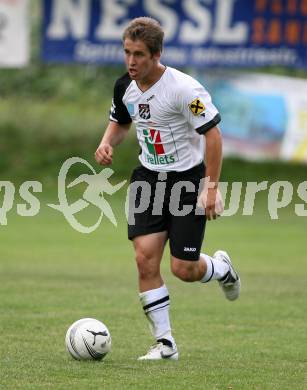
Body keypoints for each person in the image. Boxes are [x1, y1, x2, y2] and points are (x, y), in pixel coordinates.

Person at [95, 17, 241, 361]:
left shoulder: (184, 90)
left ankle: (221, 269)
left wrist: (210, 187)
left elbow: (213, 134)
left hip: (187, 181)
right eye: (127, 53)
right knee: (145, 260)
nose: (131, 61)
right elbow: (121, 121)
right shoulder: (124, 86)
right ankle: (165, 344)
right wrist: (107, 142)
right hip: (149, 179)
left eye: (139, 54)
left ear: (156, 55)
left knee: (183, 269)